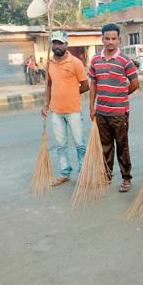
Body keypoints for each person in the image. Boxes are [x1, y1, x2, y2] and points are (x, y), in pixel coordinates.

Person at [89, 23, 139, 192]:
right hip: (101, 112)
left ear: (119, 40)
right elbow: (93, 83)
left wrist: (121, 96)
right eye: (107, 38)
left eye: (113, 39)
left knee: (122, 146)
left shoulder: (125, 60)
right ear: (102, 39)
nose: (110, 42)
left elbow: (135, 83)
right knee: (105, 146)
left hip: (119, 113)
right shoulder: (95, 59)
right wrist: (92, 107)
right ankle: (107, 176)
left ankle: (126, 178)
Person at [41, 30, 89, 186]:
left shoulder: (76, 63)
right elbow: (48, 85)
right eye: (55, 43)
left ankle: (83, 172)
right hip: (56, 111)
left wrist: (72, 94)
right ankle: (64, 173)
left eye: (60, 43)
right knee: (60, 145)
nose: (57, 46)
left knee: (79, 144)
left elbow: (85, 85)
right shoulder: (49, 63)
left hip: (73, 110)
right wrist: (46, 104)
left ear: (66, 44)